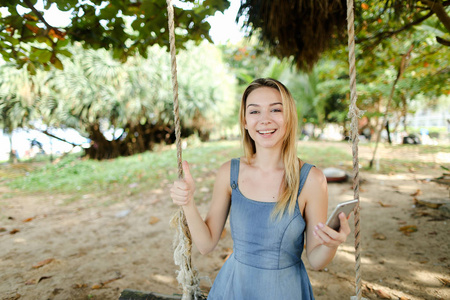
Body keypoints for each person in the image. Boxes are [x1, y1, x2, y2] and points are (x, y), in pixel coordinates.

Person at [170, 78, 351, 299]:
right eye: (254, 112)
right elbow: (206, 244)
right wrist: (187, 202)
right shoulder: (229, 172)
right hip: (234, 288)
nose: (265, 120)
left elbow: (316, 260)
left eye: (276, 110)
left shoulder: (312, 180)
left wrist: (332, 244)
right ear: (245, 121)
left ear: (289, 118)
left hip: (285, 290)